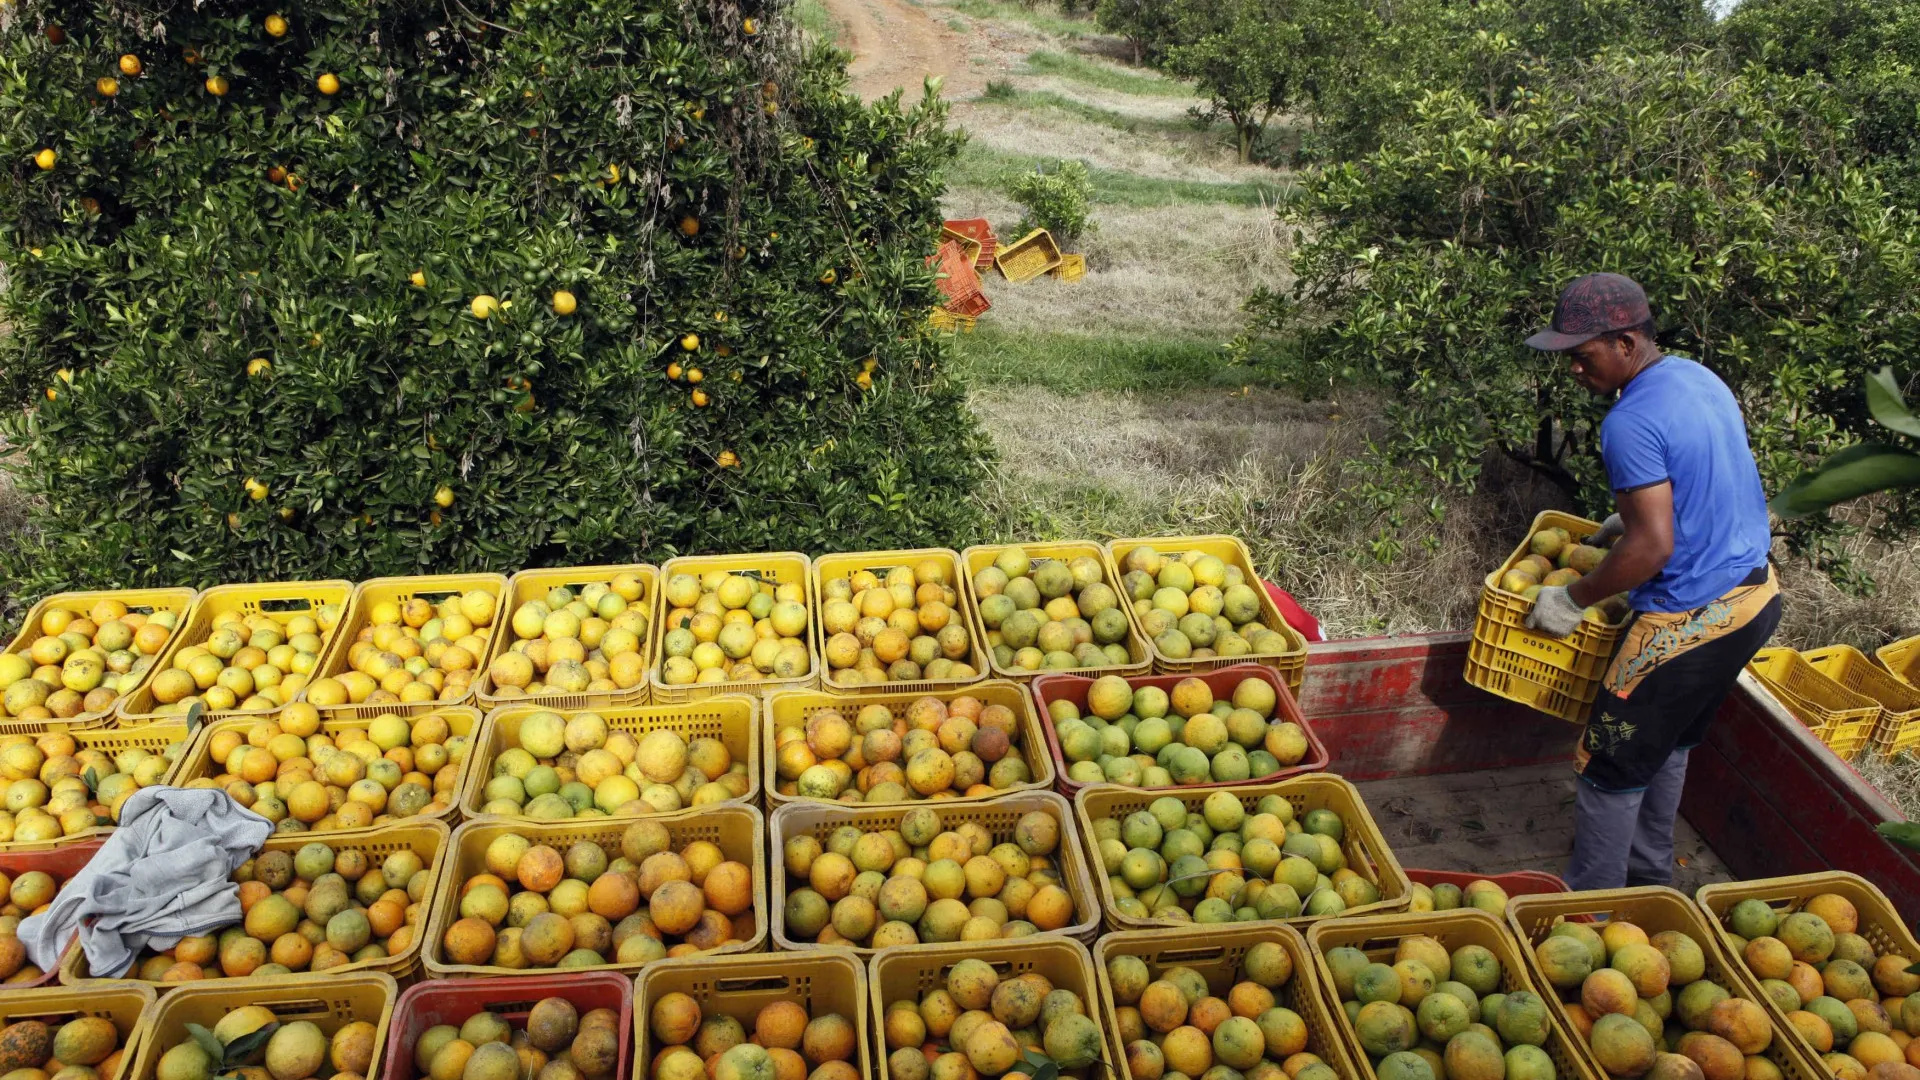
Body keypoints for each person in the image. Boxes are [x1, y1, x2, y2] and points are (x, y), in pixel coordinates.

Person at [1521, 272, 1780, 891]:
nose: (1575, 372)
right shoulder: (1695, 377)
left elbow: (1652, 547)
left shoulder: (1629, 422)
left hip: (1687, 624)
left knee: (1607, 761)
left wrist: (1572, 599)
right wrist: (1633, 515)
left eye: (1582, 357)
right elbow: (1709, 472)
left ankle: (1591, 911)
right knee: (1665, 745)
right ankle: (1649, 878)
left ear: (1626, 343)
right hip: (1754, 599)